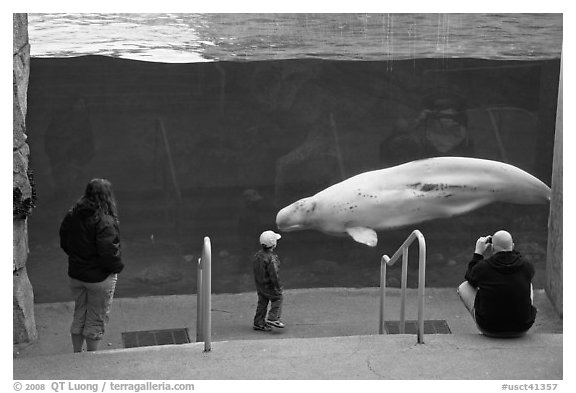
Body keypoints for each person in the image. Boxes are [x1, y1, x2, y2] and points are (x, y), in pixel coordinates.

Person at [59, 178, 124, 352]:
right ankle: (90, 362)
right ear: (107, 197)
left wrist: (77, 258)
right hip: (99, 278)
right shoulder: (105, 220)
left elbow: (64, 241)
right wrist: (117, 268)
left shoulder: (72, 214)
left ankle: (76, 354)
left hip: (76, 275)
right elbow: (109, 253)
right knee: (96, 318)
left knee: (79, 313)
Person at [457, 230, 537, 338]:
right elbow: (518, 258)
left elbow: (470, 277)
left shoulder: (483, 267)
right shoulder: (526, 265)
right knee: (528, 284)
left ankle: (486, 319)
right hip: (522, 327)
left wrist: (478, 253)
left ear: (492, 248)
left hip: (489, 328)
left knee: (464, 287)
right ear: (513, 246)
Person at [252, 230, 285, 332]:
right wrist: (278, 287)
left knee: (262, 302)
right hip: (269, 286)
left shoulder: (257, 255)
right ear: (273, 244)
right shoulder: (271, 258)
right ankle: (273, 318)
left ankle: (258, 322)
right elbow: (274, 275)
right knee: (278, 298)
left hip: (260, 285)